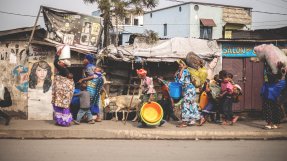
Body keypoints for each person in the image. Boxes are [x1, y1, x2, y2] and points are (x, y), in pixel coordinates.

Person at [175, 60, 200, 128]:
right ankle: (195, 119)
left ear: (184, 65)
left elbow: (181, 80)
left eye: (181, 65)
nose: (179, 66)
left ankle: (184, 122)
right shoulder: (183, 71)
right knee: (191, 104)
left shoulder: (185, 71)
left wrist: (183, 69)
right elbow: (177, 78)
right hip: (189, 90)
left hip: (189, 90)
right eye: (179, 65)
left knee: (186, 105)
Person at [261, 62, 286, 129]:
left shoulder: (270, 71)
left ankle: (270, 123)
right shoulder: (280, 74)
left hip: (270, 90)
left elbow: (272, 76)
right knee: (275, 107)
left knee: (269, 107)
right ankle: (276, 123)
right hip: (274, 90)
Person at [52, 52, 74, 127]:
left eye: (60, 62)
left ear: (63, 64)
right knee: (61, 106)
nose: (59, 63)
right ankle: (61, 121)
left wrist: (57, 54)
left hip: (62, 93)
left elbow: (55, 62)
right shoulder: (65, 70)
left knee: (61, 106)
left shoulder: (63, 69)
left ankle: (64, 122)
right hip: (62, 93)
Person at [79, 55, 103, 122]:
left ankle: (89, 118)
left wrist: (83, 79)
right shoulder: (93, 66)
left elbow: (93, 76)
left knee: (89, 101)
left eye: (85, 59)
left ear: (88, 60)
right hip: (95, 88)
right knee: (94, 101)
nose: (83, 60)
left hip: (91, 87)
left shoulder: (89, 67)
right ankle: (96, 117)